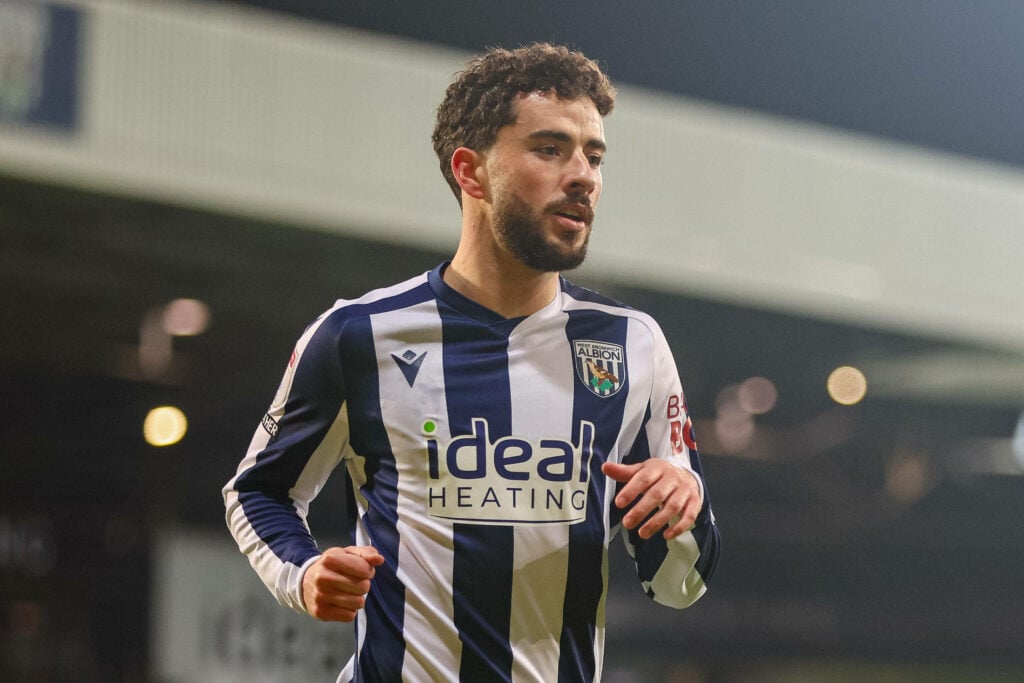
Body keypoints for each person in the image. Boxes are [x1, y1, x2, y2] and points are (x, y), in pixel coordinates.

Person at [224, 42, 720, 682]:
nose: (584, 176)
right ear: (471, 172)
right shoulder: (358, 335)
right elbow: (259, 489)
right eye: (550, 149)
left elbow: (679, 587)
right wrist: (302, 571)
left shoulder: (633, 347)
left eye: (594, 156)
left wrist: (685, 510)